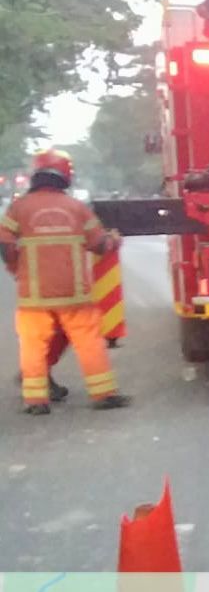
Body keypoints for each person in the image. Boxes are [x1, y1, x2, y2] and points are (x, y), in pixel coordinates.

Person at [2, 149, 130, 415]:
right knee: (89, 342)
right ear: (65, 177)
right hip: (74, 295)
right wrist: (114, 238)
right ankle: (103, 395)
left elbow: (4, 244)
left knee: (33, 345)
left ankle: (36, 402)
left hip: (33, 296)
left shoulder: (18, 208)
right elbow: (99, 245)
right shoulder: (77, 208)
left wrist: (16, 269)